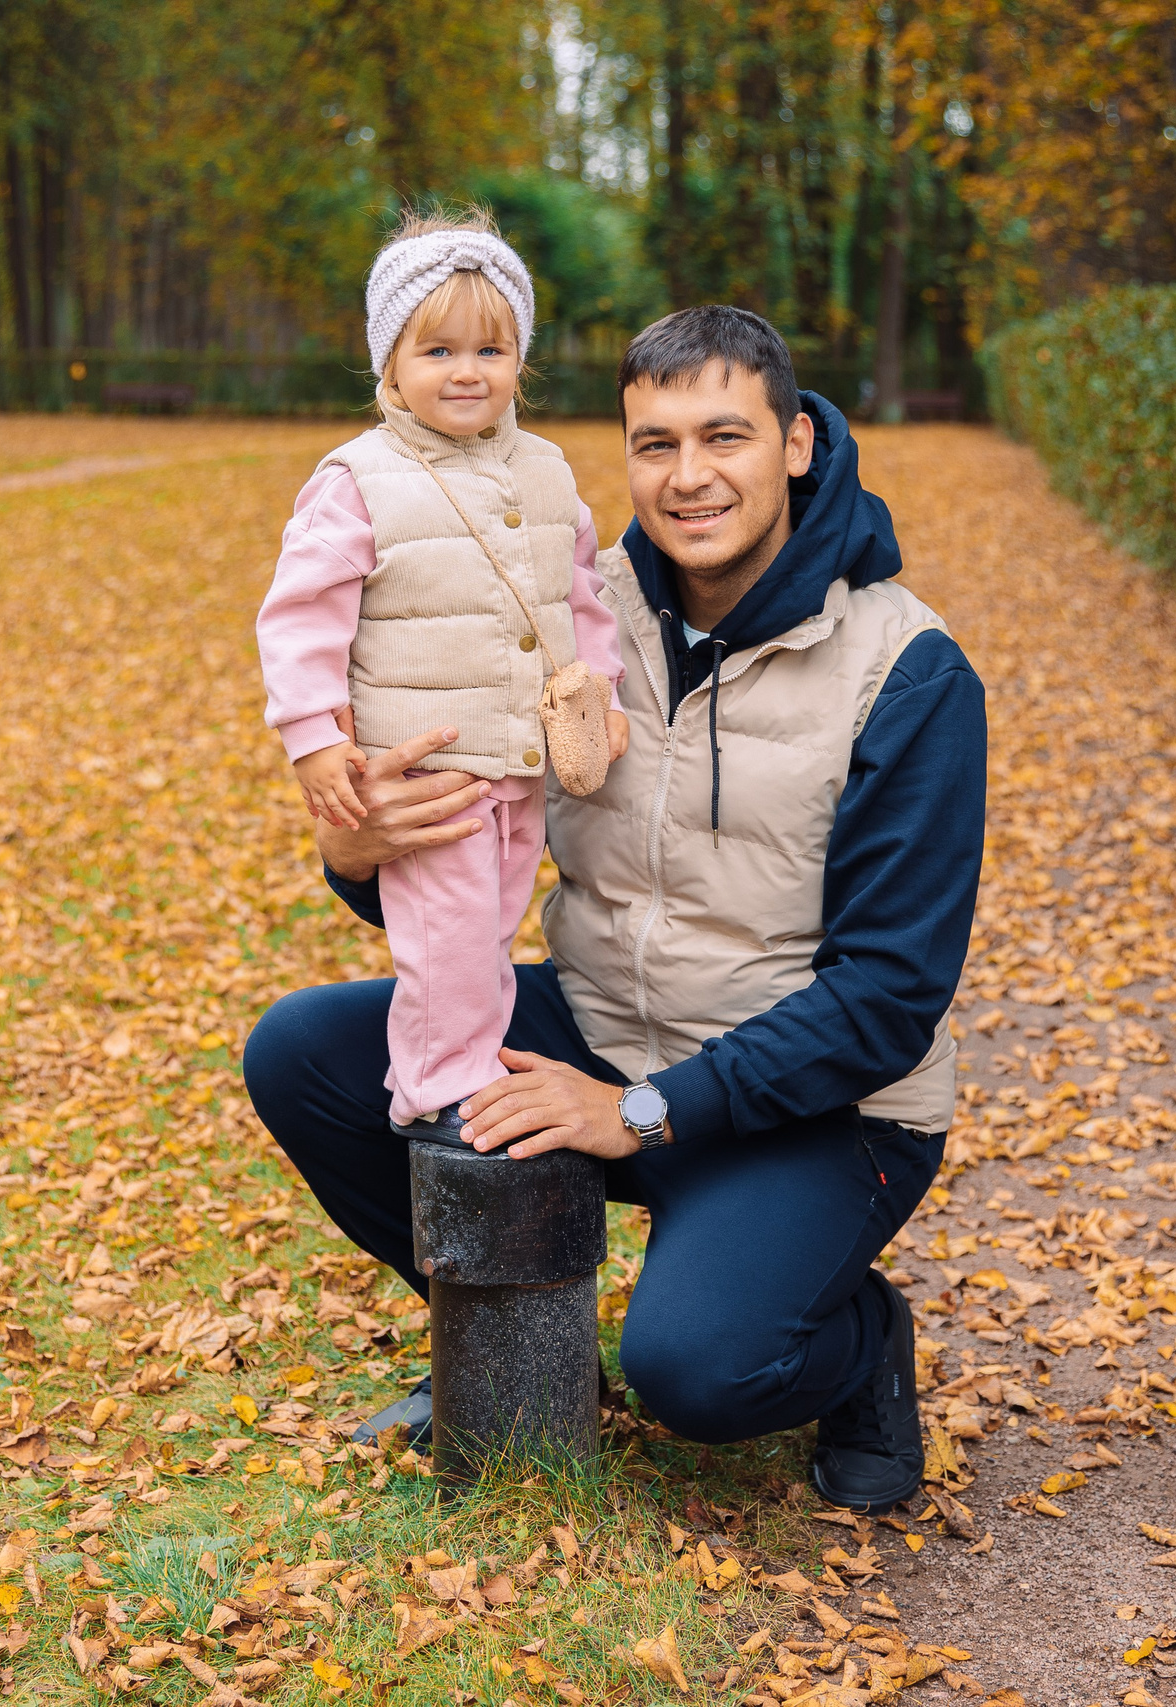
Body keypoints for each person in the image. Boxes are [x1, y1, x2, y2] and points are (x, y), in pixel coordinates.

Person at [246, 305, 988, 1514]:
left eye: (725, 437)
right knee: (304, 1055)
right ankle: (512, 1342)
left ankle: (855, 1345)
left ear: (797, 443)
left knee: (697, 1374)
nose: (688, 478)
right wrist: (358, 839)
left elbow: (888, 997)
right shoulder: (564, 613)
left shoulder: (905, 669)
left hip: (819, 1103)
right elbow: (456, 873)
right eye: (653, 444)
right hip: (602, 1018)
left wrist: (637, 1112)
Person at [253, 208, 628, 1141]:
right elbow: (301, 617)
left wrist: (605, 691)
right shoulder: (359, 478)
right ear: (391, 363)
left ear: (520, 361)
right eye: (438, 351)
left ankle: (469, 1062)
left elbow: (581, 598)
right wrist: (313, 738)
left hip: (520, 755)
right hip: (429, 764)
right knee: (445, 939)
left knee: (493, 928)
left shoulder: (545, 471)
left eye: (491, 350)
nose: (467, 371)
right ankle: (435, 1090)